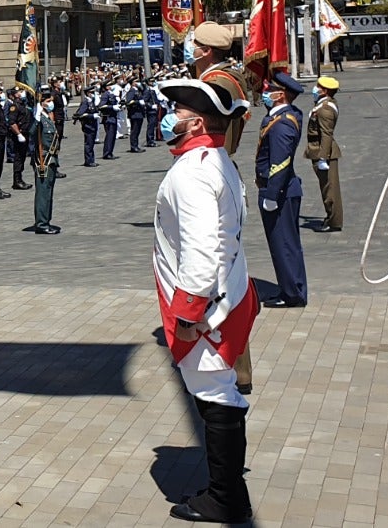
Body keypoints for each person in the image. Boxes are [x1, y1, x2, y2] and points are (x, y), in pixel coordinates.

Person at [151, 78, 258, 525]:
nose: (169, 115)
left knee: (217, 396)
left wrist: (190, 314)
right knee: (218, 394)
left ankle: (226, 498)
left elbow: (200, 249)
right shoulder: (214, 158)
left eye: (176, 110)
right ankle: (226, 490)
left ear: (194, 121)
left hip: (207, 307)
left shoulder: (193, 170)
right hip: (227, 294)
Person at [256, 72, 308, 307]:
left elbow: (281, 161)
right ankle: (291, 288)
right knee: (285, 243)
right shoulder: (284, 116)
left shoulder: (283, 123)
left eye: (269, 90)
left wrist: (271, 194)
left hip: (280, 192)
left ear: (281, 94)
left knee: (284, 245)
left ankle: (292, 294)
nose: (265, 93)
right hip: (283, 190)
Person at [189, 21, 257, 155]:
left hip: (212, 158)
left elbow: (216, 132)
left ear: (206, 51)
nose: (191, 47)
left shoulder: (216, 84)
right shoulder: (225, 76)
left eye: (194, 44)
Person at [305, 76, 344, 232]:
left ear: (325, 90)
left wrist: (322, 157)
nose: (315, 89)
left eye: (318, 87)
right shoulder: (323, 105)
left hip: (324, 152)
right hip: (319, 150)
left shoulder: (326, 109)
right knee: (326, 188)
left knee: (330, 189)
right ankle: (331, 217)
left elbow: (326, 135)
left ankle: (333, 221)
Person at [30, 92, 60, 235]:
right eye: (48, 101)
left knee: (48, 193)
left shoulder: (47, 118)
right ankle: (42, 224)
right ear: (41, 103)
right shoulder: (39, 119)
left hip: (51, 159)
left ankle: (46, 220)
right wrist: (36, 121)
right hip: (43, 160)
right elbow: (31, 133)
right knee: (43, 194)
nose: (50, 103)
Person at [7, 90, 33, 190]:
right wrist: (18, 134)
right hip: (19, 135)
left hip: (25, 134)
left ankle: (20, 179)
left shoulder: (23, 105)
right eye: (19, 92)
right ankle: (17, 181)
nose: (21, 93)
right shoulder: (14, 106)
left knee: (22, 157)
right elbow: (12, 122)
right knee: (18, 158)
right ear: (14, 95)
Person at [74, 85, 101, 167]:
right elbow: (81, 114)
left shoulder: (91, 101)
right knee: (88, 144)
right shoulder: (85, 102)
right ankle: (88, 161)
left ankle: (91, 160)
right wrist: (91, 116)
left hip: (92, 125)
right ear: (88, 93)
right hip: (88, 125)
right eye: (92, 92)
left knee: (92, 144)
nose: (93, 94)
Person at [126, 80, 149, 153]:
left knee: (137, 131)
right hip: (134, 114)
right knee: (134, 131)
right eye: (136, 81)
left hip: (139, 113)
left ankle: (136, 145)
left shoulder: (138, 90)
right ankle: (133, 147)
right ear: (133, 83)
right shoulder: (132, 91)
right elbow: (128, 101)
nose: (138, 83)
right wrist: (138, 102)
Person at [99, 82, 120, 160]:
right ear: (106, 87)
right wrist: (112, 107)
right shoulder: (105, 94)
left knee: (112, 136)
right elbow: (101, 106)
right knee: (109, 136)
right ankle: (107, 153)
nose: (111, 86)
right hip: (108, 118)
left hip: (113, 117)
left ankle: (110, 152)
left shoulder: (111, 94)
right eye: (109, 85)